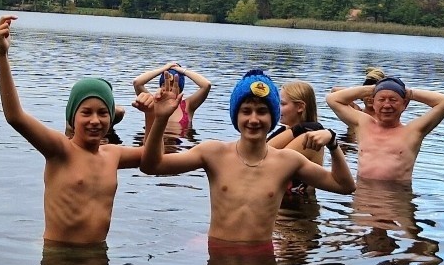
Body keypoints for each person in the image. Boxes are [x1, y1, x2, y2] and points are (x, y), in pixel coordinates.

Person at [139, 69, 355, 247]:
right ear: (236, 116)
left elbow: (345, 186)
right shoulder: (213, 153)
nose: (254, 119)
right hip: (219, 254)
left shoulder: (287, 161)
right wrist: (159, 118)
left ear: (272, 117)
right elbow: (152, 166)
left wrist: (333, 143)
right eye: (246, 111)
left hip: (261, 259)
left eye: (262, 111)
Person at [0, 15, 150, 246]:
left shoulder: (113, 155)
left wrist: (153, 116)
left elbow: (151, 156)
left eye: (103, 113)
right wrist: (2, 55)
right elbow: (15, 116)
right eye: (86, 112)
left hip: (97, 257)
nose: (95, 120)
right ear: (72, 117)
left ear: (110, 118)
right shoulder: (60, 150)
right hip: (59, 258)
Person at [326, 76, 444, 183]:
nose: (387, 105)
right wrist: (372, 89)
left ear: (404, 104)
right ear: (373, 103)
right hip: (363, 195)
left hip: (396, 198)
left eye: (393, 100)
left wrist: (409, 93)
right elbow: (332, 99)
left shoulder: (413, 131)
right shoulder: (363, 124)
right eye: (381, 100)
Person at [267, 80, 335, 204]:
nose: (277, 108)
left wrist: (300, 128)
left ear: (300, 107)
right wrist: (298, 128)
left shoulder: (308, 137)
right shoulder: (287, 130)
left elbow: (265, 157)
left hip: (297, 214)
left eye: (282, 104)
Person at [133, 61, 212, 136]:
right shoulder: (153, 103)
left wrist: (181, 70)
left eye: (173, 85)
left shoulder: (187, 106)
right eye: (165, 84)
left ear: (180, 89)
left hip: (178, 148)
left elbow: (206, 85)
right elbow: (137, 82)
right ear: (161, 86)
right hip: (154, 147)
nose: (169, 88)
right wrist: (164, 69)